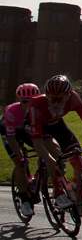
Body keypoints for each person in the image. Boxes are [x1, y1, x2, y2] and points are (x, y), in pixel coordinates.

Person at [28, 75, 82, 209]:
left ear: (68, 97)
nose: (56, 103)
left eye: (60, 100)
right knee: (55, 153)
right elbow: (38, 144)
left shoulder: (74, 98)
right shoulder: (36, 104)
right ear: (46, 97)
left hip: (57, 124)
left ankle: (77, 190)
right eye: (51, 99)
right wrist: (52, 161)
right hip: (39, 127)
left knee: (76, 156)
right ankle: (58, 194)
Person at [1, 83, 41, 216]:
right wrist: (21, 157)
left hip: (25, 128)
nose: (29, 104)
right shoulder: (12, 111)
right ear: (19, 100)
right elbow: (11, 139)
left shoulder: (39, 110)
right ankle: (24, 199)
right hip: (10, 132)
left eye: (33, 100)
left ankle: (35, 179)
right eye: (25, 101)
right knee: (20, 163)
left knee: (44, 150)